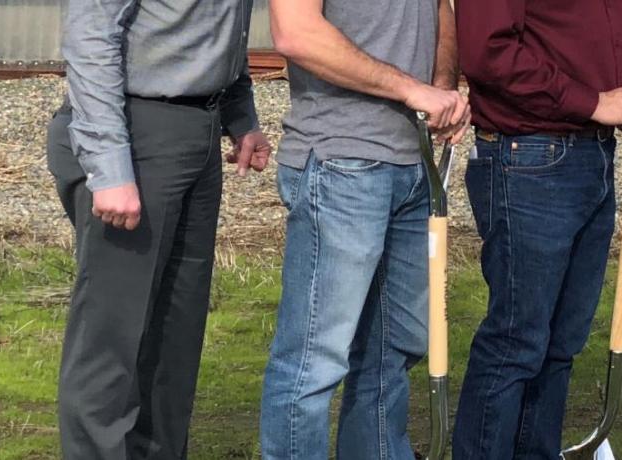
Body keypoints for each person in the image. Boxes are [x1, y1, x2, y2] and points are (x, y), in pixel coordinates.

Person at [447, 0, 622, 456]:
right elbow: (487, 51)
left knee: (560, 343)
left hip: (590, 153)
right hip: (529, 155)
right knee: (517, 340)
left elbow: (596, 40)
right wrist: (596, 101)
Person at [46, 0, 269, 456]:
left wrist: (240, 116)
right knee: (113, 339)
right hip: (137, 133)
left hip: (200, 133)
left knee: (174, 339)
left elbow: (222, 29)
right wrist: (110, 166)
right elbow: (91, 34)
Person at [256, 0, 470, 456]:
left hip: (412, 164)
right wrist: (411, 89)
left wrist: (442, 88)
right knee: (313, 362)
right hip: (340, 163)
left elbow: (440, 9)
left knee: (393, 349)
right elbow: (295, 32)